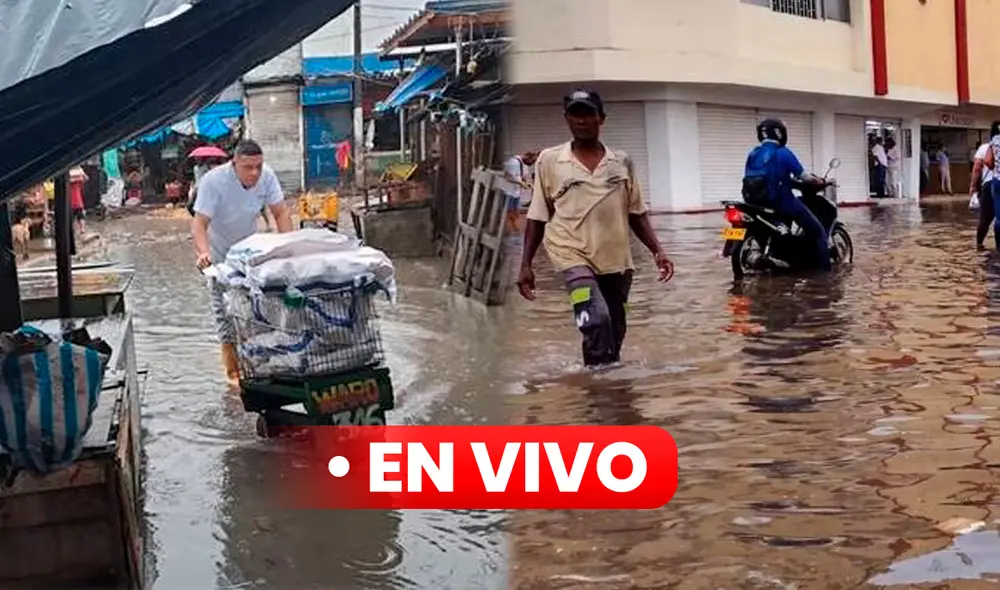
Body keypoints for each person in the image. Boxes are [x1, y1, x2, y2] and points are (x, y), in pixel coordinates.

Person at [517, 90, 674, 368]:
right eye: (575, 114)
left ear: (601, 118)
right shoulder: (550, 161)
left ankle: (607, 388)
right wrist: (526, 264)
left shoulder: (621, 162)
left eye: (588, 114)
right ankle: (596, 390)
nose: (582, 121)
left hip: (616, 258)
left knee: (615, 329)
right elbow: (538, 215)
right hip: (571, 254)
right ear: (566, 119)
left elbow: (636, 212)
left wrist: (657, 251)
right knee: (596, 318)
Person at [191, 139, 295, 388]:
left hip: (250, 256)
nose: (255, 173)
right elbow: (199, 224)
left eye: (259, 166)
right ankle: (232, 377)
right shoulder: (213, 182)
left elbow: (281, 213)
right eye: (248, 167)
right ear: (234, 163)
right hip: (219, 259)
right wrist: (203, 255)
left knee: (259, 313)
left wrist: (289, 250)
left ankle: (261, 366)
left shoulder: (267, 177)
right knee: (225, 318)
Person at [742, 118, 832, 271]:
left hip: (755, 203)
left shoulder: (753, 153)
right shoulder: (783, 153)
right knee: (818, 232)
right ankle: (825, 275)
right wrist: (821, 181)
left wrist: (791, 182)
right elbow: (806, 178)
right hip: (781, 201)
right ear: (779, 133)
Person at [972, 129, 997, 250]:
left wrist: (973, 186)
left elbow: (977, 168)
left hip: (988, 186)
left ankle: (979, 245)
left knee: (984, 219)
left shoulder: (984, 148)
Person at [502, 150, 538, 233]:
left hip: (516, 192)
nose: (532, 163)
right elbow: (508, 177)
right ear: (527, 157)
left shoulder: (524, 165)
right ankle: (510, 230)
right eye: (532, 161)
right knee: (509, 212)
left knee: (516, 212)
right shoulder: (513, 162)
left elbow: (523, 176)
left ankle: (515, 229)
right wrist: (521, 183)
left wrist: (527, 183)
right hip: (509, 192)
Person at [981, 122, 1000, 252]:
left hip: (997, 181)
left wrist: (995, 169)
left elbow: (987, 160)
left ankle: (999, 247)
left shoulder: (995, 141)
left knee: (999, 218)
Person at [69, 166, 88, 236]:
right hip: (74, 199)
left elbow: (85, 178)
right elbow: (85, 178)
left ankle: (81, 229)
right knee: (77, 215)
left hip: (76, 199)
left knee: (79, 215)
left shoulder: (77, 174)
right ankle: (80, 229)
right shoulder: (76, 177)